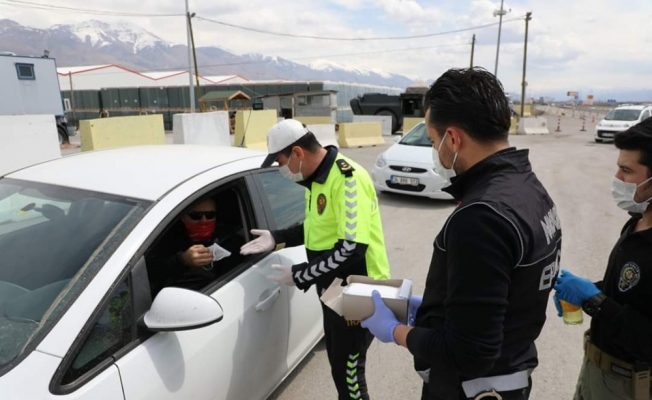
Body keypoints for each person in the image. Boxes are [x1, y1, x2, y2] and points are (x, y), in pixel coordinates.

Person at [360, 67, 563, 400]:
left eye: (432, 141)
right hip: (510, 373)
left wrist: (395, 331)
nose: (435, 150)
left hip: (473, 389)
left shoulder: (481, 217)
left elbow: (470, 352)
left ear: (452, 139)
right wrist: (437, 307)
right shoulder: (526, 187)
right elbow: (503, 290)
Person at [239, 119, 391, 400]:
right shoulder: (316, 180)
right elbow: (316, 230)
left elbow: (351, 248)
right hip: (335, 288)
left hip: (360, 289)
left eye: (280, 161)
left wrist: (300, 274)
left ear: (297, 153)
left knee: (350, 376)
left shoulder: (347, 179)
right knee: (338, 365)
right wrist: (277, 237)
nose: (281, 169)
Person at [554, 117, 652, 400]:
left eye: (626, 170)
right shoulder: (637, 221)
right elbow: (628, 294)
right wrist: (589, 291)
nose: (617, 178)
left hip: (630, 385)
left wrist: (595, 301)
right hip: (596, 371)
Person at [146, 198, 236, 296]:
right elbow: (148, 272)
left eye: (210, 215)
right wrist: (182, 260)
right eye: (196, 216)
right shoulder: (166, 237)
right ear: (183, 217)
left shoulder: (227, 238)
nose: (204, 220)